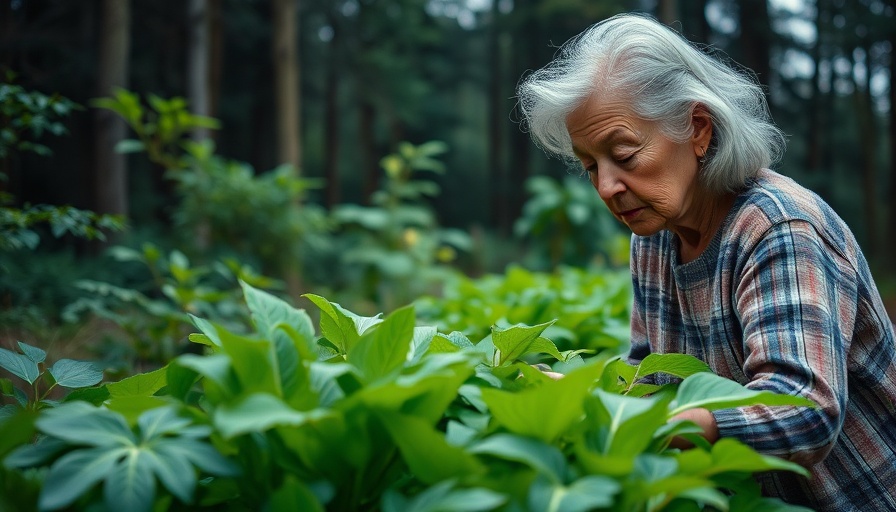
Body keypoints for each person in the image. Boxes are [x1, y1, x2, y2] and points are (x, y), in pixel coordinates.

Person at [516, 12, 896, 511]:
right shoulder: (654, 236)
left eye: (625, 155)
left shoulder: (778, 229)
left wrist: (657, 424)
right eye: (591, 166)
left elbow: (804, 411)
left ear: (697, 129)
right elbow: (650, 374)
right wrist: (585, 400)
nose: (606, 187)